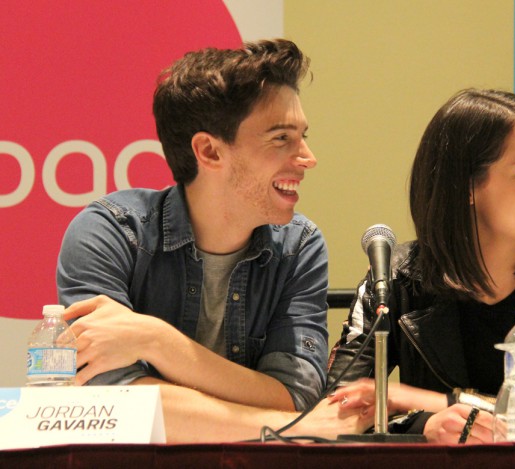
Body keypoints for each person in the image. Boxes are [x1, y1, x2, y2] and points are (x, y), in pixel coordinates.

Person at [56, 39, 372, 442]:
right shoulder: (112, 232)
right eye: (281, 138)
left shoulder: (300, 246)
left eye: (303, 136)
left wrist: (157, 341)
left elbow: (295, 396)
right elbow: (109, 403)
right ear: (209, 151)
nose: (308, 157)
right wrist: (276, 423)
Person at [326, 88, 515, 444]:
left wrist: (435, 403)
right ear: (466, 185)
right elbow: (337, 412)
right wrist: (427, 426)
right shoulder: (393, 279)